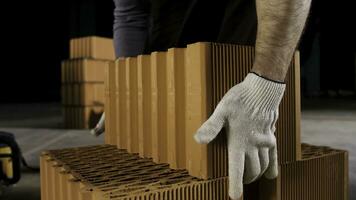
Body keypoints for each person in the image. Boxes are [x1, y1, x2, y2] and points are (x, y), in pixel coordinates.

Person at [92, 0, 312, 199]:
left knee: (232, 158)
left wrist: (264, 89)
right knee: (180, 153)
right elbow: (130, 13)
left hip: (250, 22)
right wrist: (126, 88)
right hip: (173, 26)